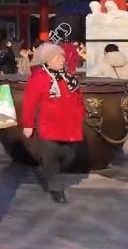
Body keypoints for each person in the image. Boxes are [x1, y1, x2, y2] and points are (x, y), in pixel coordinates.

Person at [20, 43, 85, 204]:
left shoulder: (68, 77)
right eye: (57, 57)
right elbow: (29, 103)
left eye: (62, 56)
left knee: (69, 155)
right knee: (52, 156)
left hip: (70, 124)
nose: (61, 60)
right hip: (49, 124)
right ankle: (56, 188)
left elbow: (78, 98)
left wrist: (80, 113)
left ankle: (47, 169)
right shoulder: (39, 77)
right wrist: (28, 124)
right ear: (47, 60)